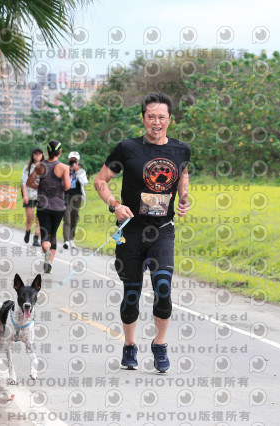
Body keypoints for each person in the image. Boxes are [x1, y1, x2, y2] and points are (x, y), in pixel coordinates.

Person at [93, 92, 191, 373]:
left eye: (162, 117)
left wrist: (184, 197)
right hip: (131, 231)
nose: (156, 122)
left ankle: (160, 344)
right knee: (132, 292)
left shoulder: (181, 150)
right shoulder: (127, 148)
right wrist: (115, 205)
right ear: (143, 119)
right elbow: (100, 181)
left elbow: (183, 174)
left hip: (163, 230)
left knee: (163, 287)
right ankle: (130, 345)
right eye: (151, 117)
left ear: (169, 120)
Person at [27, 140, 70, 274]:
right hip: (59, 207)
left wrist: (40, 186)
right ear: (60, 152)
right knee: (53, 234)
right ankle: (49, 262)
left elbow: (29, 182)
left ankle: (47, 251)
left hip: (43, 206)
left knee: (45, 235)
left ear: (47, 151)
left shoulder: (40, 166)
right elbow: (67, 186)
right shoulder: (64, 167)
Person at [63, 151, 88, 249]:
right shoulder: (64, 169)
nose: (73, 162)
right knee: (67, 218)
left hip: (77, 197)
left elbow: (84, 182)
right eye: (72, 160)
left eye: (75, 160)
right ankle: (66, 241)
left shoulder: (81, 171)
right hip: (66, 196)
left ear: (78, 161)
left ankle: (71, 239)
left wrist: (77, 171)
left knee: (74, 218)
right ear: (68, 160)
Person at [21, 147, 44, 247]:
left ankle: (36, 238)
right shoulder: (28, 168)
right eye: (36, 154)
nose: (38, 156)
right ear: (33, 155)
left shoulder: (45, 167)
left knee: (39, 218)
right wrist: (25, 195)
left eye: (39, 154)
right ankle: (27, 231)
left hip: (41, 196)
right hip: (30, 195)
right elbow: (23, 182)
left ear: (42, 155)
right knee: (30, 217)